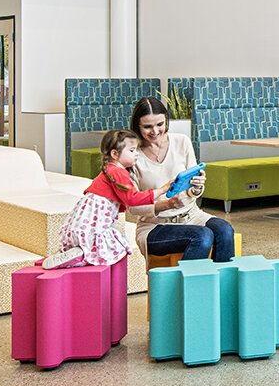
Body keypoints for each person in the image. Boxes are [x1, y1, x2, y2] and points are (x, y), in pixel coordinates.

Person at [42, 128, 192, 269]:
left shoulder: (110, 170)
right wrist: (163, 189)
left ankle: (73, 254)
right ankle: (81, 253)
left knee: (103, 242)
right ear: (115, 154)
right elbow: (133, 199)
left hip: (87, 215)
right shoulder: (118, 172)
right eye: (132, 151)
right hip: (97, 217)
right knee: (113, 246)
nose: (136, 154)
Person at [127, 94, 235, 263]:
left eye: (160, 124)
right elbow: (132, 207)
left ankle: (220, 287)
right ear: (137, 127)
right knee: (202, 236)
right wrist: (166, 205)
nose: (155, 131)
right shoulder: (132, 155)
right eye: (148, 127)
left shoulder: (182, 142)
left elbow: (193, 191)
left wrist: (197, 187)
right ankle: (189, 289)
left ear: (167, 121)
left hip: (191, 216)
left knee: (225, 230)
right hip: (154, 226)